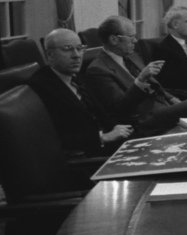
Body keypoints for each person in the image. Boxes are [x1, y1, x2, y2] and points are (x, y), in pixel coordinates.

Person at [86, 16, 187, 134]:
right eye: (131, 37)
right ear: (114, 39)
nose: (135, 41)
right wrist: (140, 80)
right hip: (144, 119)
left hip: (163, 107)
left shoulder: (132, 55)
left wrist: (172, 99)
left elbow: (154, 84)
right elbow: (120, 108)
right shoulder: (98, 70)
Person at [26, 28, 133, 156]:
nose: (76, 55)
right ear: (50, 54)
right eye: (67, 49)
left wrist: (115, 127)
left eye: (79, 48)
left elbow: (100, 112)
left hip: (111, 144)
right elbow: (51, 139)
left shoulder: (76, 76)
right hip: (88, 156)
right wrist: (104, 137)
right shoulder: (41, 87)